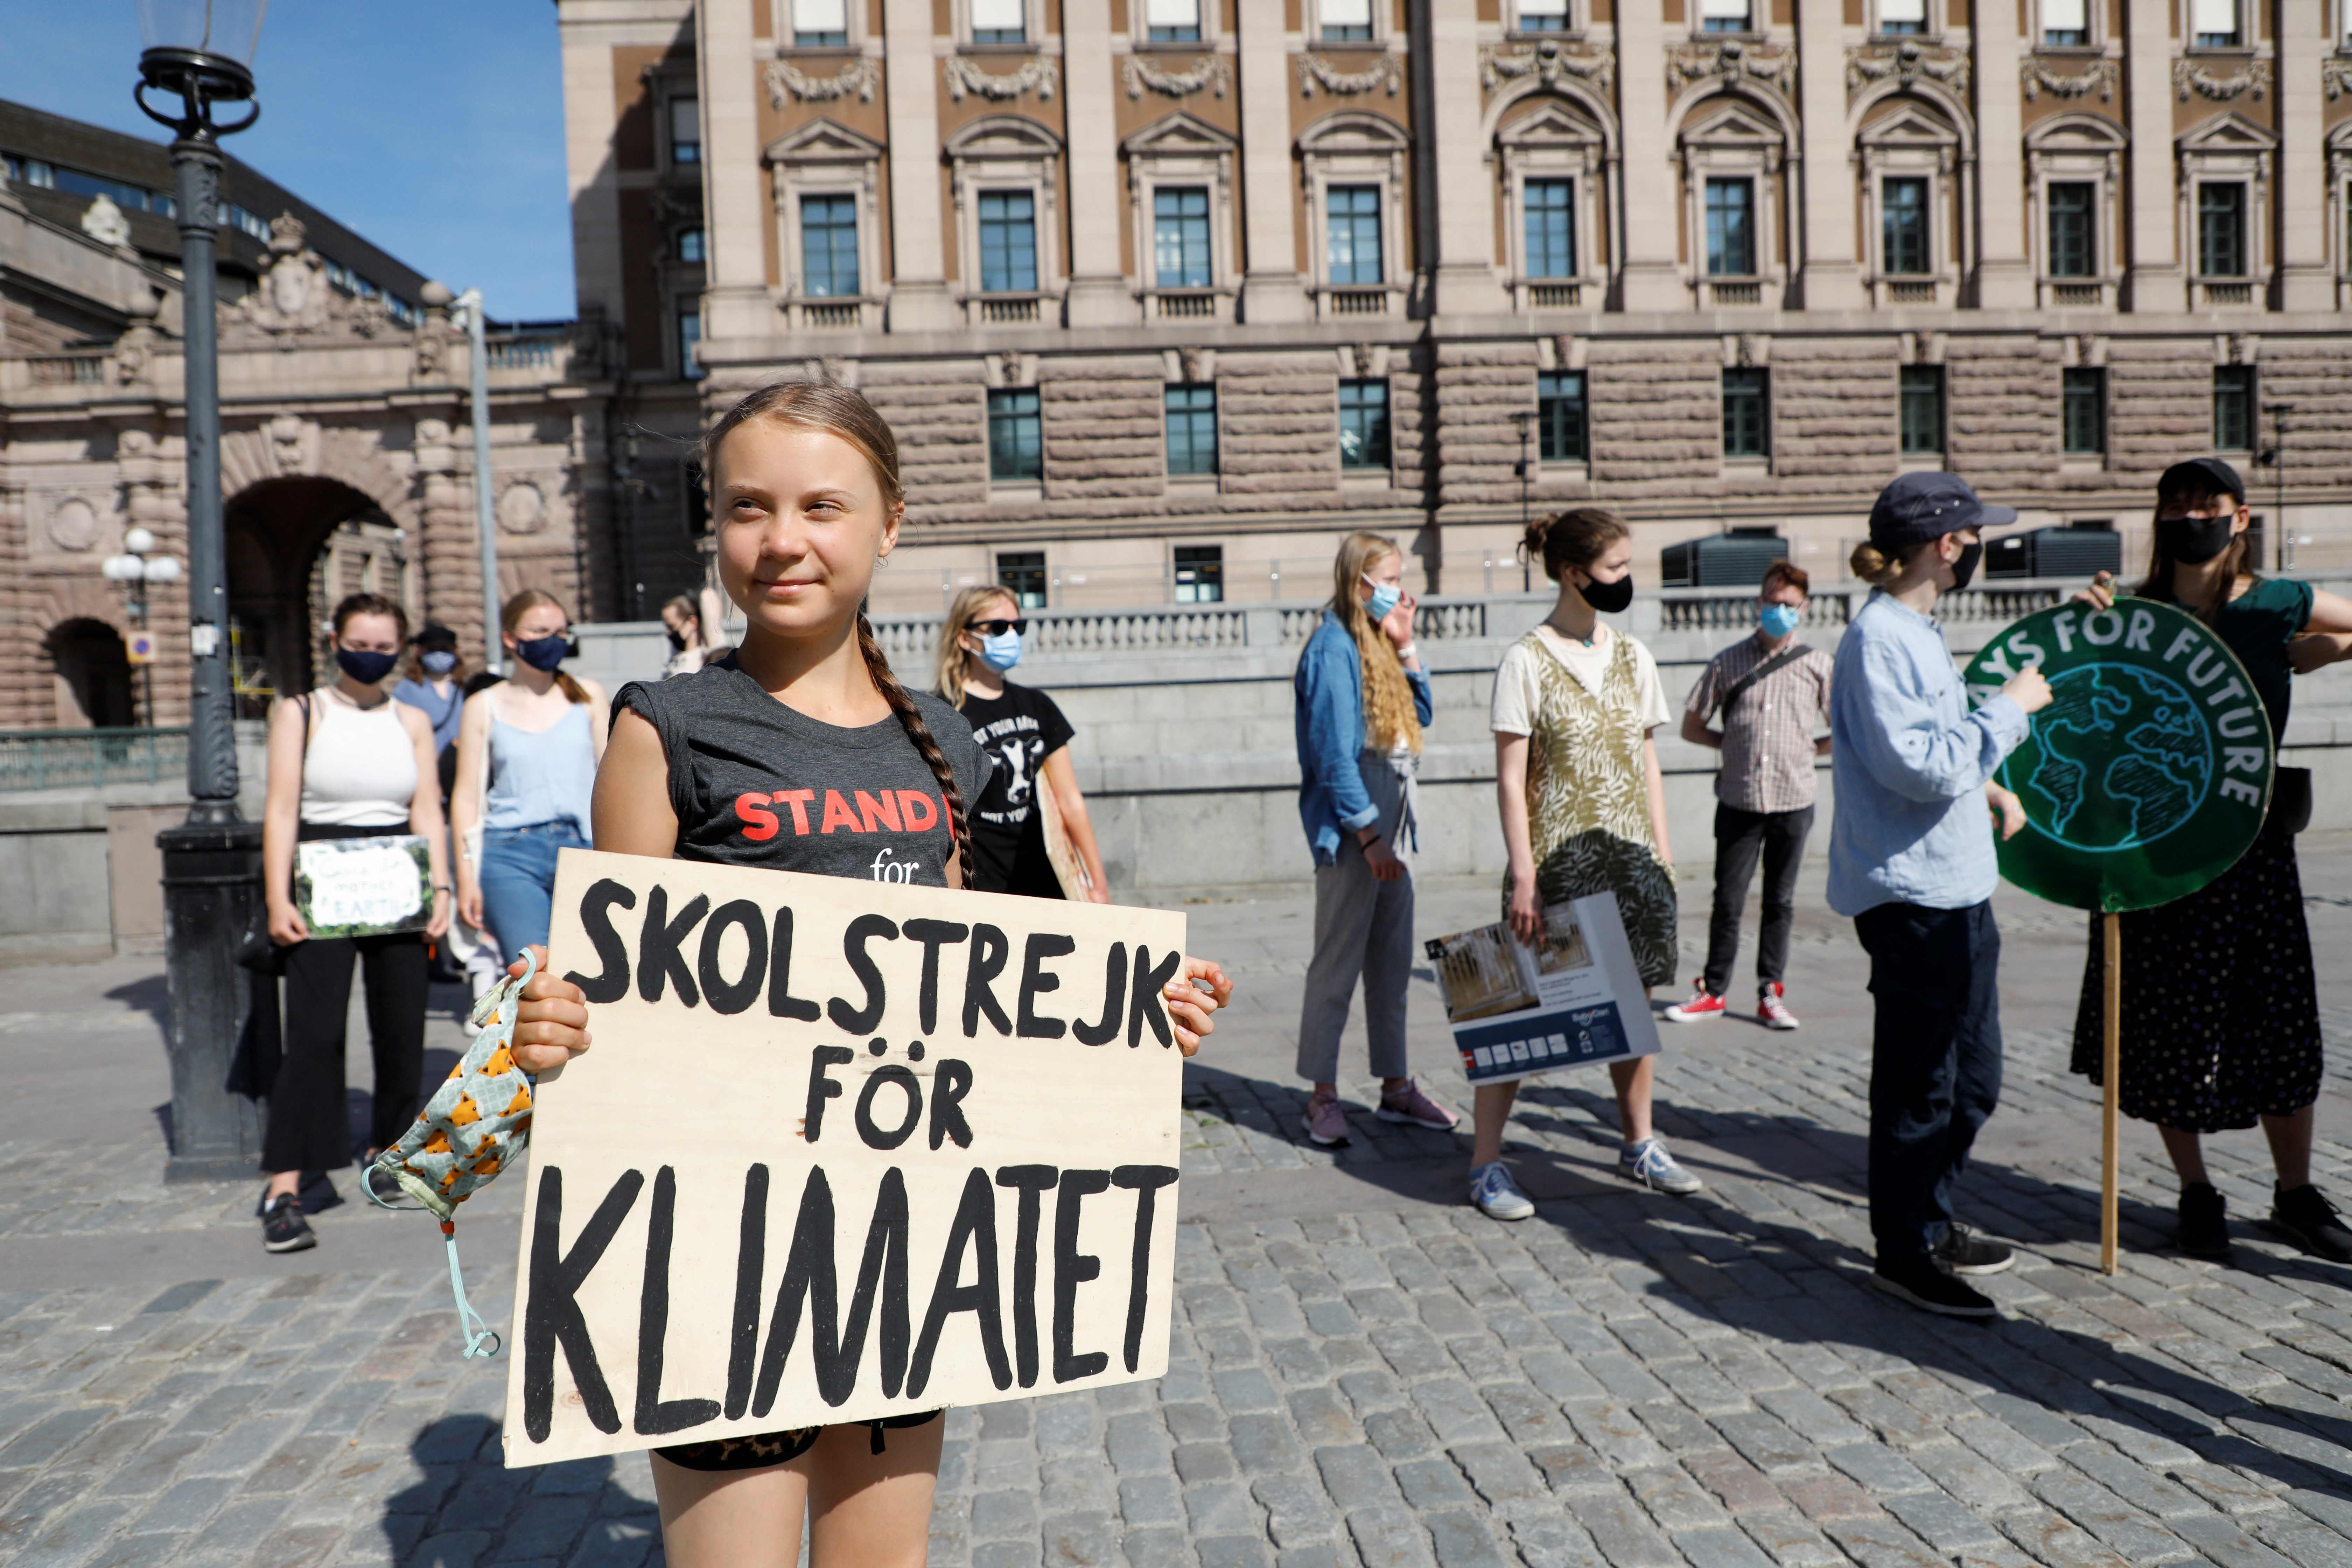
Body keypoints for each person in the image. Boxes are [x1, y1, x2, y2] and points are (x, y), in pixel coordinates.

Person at [586, 380, 1231, 1568]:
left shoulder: (952, 738)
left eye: (822, 506)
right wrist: (551, 1030)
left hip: (902, 1235)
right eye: (747, 509)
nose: (783, 539)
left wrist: (1128, 1011)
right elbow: (614, 994)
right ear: (715, 530)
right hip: (726, 1245)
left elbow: (999, 975)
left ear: (890, 524)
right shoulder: (664, 727)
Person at [2070, 457, 2352, 1262]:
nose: (2193, 514)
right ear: (2162, 519)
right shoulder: (2134, 611)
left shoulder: (2276, 602)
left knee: (2279, 1024)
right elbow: (2078, 705)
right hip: (2157, 850)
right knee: (2168, 1030)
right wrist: (2089, 622)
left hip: (2254, 848)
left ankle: (2295, 1194)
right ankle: (2197, 1192)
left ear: (2241, 515)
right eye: (2180, 503)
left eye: (2210, 502)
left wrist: (2323, 653)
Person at [1829, 472, 2050, 1318]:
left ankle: (1933, 1213)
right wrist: (2011, 709)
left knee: (1974, 1078)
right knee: (1922, 1081)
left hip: (1958, 884)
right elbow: (1919, 764)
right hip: (1913, 896)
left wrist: (1989, 788)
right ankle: (1905, 1248)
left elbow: (1939, 757)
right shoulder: (1882, 637)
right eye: (1975, 534)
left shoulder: (1915, 627)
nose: (1981, 546)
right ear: (1947, 545)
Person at [1481, 507, 1702, 1220]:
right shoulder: (1527, 659)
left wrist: (1663, 856)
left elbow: (1647, 762)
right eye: (1615, 568)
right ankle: (1486, 1163)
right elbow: (1512, 778)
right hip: (1556, 860)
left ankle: (1639, 1140)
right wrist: (1524, 873)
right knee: (1514, 1017)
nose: (1627, 579)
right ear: (1575, 573)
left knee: (1634, 1010)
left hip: (1630, 859)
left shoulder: (1635, 656)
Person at [257, 593, 452, 1253]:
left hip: (398, 872)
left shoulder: (412, 719)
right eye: (359, 644)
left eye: (383, 647)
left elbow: (429, 806)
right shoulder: (301, 711)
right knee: (312, 1036)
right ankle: (285, 1185)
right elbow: (281, 808)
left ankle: (389, 1153)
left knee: (401, 1027)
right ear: (334, 640)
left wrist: (442, 887)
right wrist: (277, 896)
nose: (371, 657)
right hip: (321, 877)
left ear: (402, 650)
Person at [1292, 531, 1460, 1148]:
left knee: (1391, 965)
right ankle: (1322, 1096)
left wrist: (1407, 643)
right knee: (1336, 963)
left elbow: (1423, 714)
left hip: (1393, 811)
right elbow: (1334, 757)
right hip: (1357, 822)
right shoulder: (1333, 647)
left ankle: (1395, 1087)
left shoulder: (1379, 640)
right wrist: (1370, 838)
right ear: (1360, 580)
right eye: (1391, 576)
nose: (1401, 587)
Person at [1669, 560, 1834, 1030]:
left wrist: (1809, 751)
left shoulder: (1818, 665)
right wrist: (1732, 746)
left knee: (1780, 901)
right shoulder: (1727, 662)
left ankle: (1770, 992)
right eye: (1771, 602)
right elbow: (1691, 725)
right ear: (1758, 604)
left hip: (1794, 799)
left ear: (1803, 610)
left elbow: (1845, 730)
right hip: (1740, 799)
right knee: (1729, 900)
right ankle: (1714, 990)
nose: (1779, 611)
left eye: (1789, 605)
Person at [452, 590, 608, 966]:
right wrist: (466, 876)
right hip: (510, 853)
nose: (553, 640)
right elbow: (466, 797)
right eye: (540, 631)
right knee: (531, 976)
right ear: (511, 638)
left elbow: (612, 782)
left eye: (561, 631)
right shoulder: (483, 705)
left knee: (589, 974)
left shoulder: (589, 696)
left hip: (583, 847)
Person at [932, 584, 1111, 900]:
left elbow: (1070, 799)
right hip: (981, 881)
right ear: (965, 638)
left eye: (1018, 626)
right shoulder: (942, 713)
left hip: (1045, 876)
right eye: (999, 628)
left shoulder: (1037, 706)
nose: (1011, 635)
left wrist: (1098, 883)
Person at [661, 586, 728, 678]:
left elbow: (708, 596)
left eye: (672, 627)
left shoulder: (707, 660)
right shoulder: (673, 661)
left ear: (693, 622)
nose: (670, 633)